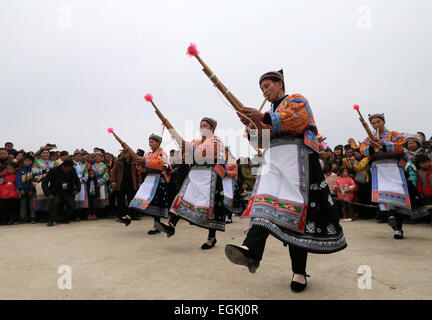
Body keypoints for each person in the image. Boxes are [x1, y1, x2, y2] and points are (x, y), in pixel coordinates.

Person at [225, 69, 347, 292]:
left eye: (267, 86)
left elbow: (297, 121)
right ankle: (252, 251)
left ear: (280, 84)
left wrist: (262, 117)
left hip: (298, 161)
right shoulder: (269, 112)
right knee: (263, 203)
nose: (264, 92)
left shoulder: (296, 100)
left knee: (296, 213)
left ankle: (299, 271)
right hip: (274, 161)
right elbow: (261, 142)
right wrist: (251, 126)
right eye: (262, 89)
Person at [156, 117, 229, 250]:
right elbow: (186, 157)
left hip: (210, 176)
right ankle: (171, 225)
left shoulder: (216, 140)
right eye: (201, 125)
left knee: (210, 206)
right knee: (184, 197)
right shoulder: (196, 141)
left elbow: (212, 154)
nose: (202, 128)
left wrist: (191, 149)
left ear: (212, 128)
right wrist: (184, 149)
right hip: (195, 175)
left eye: (205, 125)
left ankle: (211, 237)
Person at [360, 113, 429, 239]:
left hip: (394, 167)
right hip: (379, 169)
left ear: (384, 122)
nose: (376, 125)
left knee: (398, 196)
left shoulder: (395, 134)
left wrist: (384, 144)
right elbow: (363, 150)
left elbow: (401, 147)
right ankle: (393, 220)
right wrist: (371, 147)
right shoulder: (368, 138)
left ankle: (398, 227)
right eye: (373, 123)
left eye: (378, 122)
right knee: (384, 196)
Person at [126, 134, 171, 233]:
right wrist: (141, 165)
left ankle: (157, 226)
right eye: (149, 142)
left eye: (152, 142)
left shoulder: (162, 153)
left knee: (156, 204)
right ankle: (128, 216)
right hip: (149, 180)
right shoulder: (148, 154)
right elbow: (144, 168)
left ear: (158, 143)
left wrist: (145, 161)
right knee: (139, 197)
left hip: (158, 181)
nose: (150, 144)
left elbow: (162, 164)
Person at [42, 159, 80, 227]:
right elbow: (44, 182)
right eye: (67, 169)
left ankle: (64, 218)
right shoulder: (53, 170)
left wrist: (77, 189)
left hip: (68, 191)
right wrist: (48, 193)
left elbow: (77, 180)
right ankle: (51, 220)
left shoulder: (72, 170)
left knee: (72, 204)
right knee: (55, 202)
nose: (68, 170)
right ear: (63, 166)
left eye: (70, 168)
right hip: (56, 191)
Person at [32, 148, 58, 220]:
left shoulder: (53, 162)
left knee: (50, 199)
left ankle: (49, 216)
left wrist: (46, 172)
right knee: (40, 199)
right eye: (44, 153)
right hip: (41, 182)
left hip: (51, 182)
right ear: (40, 154)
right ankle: (40, 217)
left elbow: (56, 171)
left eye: (47, 153)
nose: (46, 154)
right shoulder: (37, 161)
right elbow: (34, 170)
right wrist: (46, 171)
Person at [16, 154, 36, 223]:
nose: (26, 162)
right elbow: (18, 180)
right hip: (23, 191)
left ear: (32, 162)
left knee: (32, 205)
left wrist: (31, 189)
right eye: (25, 161)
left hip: (31, 191)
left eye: (28, 161)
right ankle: (22, 218)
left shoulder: (34, 169)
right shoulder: (20, 170)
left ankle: (33, 218)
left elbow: (34, 180)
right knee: (23, 205)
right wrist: (20, 189)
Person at [92, 152, 110, 217]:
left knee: (103, 196)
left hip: (102, 183)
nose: (97, 158)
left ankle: (104, 213)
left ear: (101, 157)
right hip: (94, 183)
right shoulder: (92, 166)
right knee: (96, 197)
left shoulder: (104, 165)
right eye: (96, 156)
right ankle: (97, 213)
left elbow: (106, 175)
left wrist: (101, 181)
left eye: (99, 156)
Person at [72, 150, 89, 220]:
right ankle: (75, 215)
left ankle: (82, 215)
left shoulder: (83, 165)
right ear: (74, 156)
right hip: (74, 183)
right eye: (77, 156)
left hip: (81, 183)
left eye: (80, 156)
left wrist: (83, 180)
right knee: (75, 198)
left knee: (82, 198)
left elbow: (86, 173)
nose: (79, 157)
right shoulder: (71, 164)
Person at [416, 154, 432, 224]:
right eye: (422, 163)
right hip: (426, 193)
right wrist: (420, 192)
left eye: (426, 162)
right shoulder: (419, 172)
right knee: (429, 207)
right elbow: (419, 184)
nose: (424, 164)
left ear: (429, 161)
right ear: (419, 165)